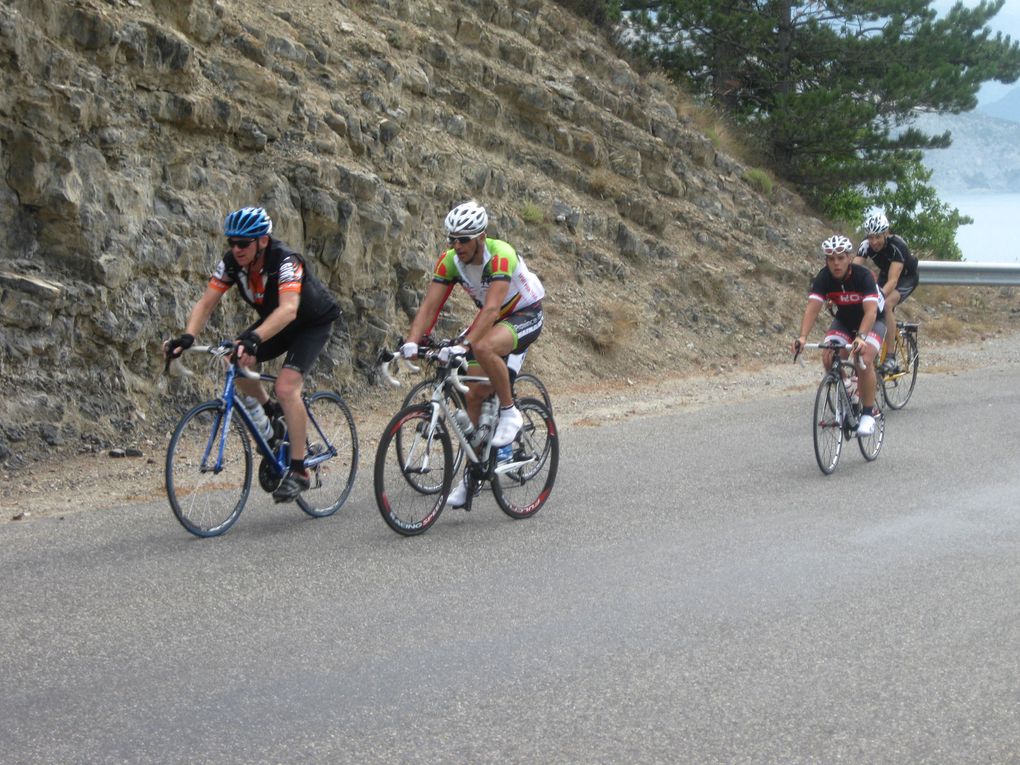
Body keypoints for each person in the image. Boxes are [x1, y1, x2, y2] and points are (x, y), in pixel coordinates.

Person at [164, 207, 342, 503]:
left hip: (310, 322)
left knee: (286, 387)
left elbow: (289, 309)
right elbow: (206, 303)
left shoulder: (286, 261)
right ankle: (271, 416)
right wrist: (187, 336)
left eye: (243, 243)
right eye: (232, 242)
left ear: (262, 241)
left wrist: (254, 338)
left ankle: (299, 471)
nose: (236, 249)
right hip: (278, 320)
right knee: (233, 357)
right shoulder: (232, 263)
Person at [401, 200, 545, 507]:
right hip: (493, 321)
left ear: (481, 236)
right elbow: (429, 306)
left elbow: (492, 308)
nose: (457, 245)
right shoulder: (450, 260)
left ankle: (509, 412)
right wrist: (413, 342)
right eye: (452, 239)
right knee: (475, 393)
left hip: (524, 313)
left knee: (481, 346)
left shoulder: (501, 254)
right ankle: (475, 474)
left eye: (463, 239)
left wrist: (464, 345)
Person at [794, 234, 886, 437]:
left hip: (873, 321)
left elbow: (870, 311)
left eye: (840, 258)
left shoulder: (863, 276)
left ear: (849, 257)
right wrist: (802, 337)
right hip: (845, 320)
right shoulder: (824, 277)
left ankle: (869, 414)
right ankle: (847, 388)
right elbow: (812, 308)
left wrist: (861, 337)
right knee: (829, 355)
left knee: (864, 358)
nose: (836, 263)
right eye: (831, 259)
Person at [854, 212, 918, 373]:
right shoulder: (866, 244)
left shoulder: (897, 246)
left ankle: (891, 358)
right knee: (868, 305)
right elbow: (853, 269)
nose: (874, 242)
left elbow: (893, 281)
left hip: (906, 277)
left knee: (887, 304)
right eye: (871, 237)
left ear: (886, 233)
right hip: (886, 273)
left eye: (878, 237)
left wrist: (879, 295)